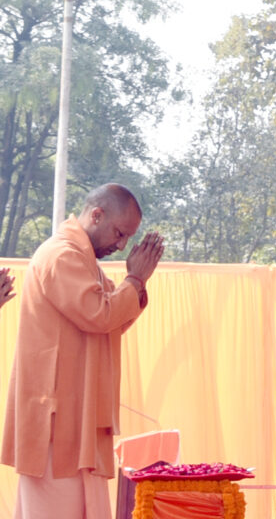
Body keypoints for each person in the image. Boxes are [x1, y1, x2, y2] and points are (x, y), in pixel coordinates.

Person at [2, 183, 164, 518]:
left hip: (76, 421)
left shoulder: (83, 260)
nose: (121, 245)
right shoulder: (61, 255)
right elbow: (100, 315)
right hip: (55, 425)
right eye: (119, 233)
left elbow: (111, 321)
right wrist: (134, 280)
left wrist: (137, 284)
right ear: (97, 215)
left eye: (128, 238)